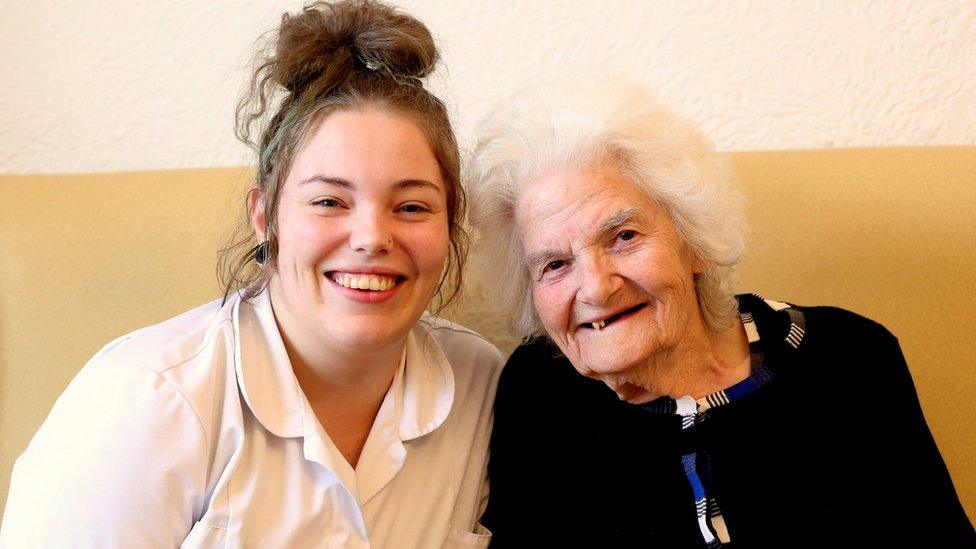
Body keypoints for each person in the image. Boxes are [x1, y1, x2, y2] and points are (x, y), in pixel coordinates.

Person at [0, 1, 501, 547]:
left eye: (411, 207)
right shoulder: (147, 402)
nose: (371, 238)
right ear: (265, 216)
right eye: (330, 201)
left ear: (452, 224)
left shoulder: (481, 385)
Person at [465, 78, 975, 547]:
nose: (595, 287)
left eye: (624, 237)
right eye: (554, 264)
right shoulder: (538, 394)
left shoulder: (849, 359)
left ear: (695, 240)